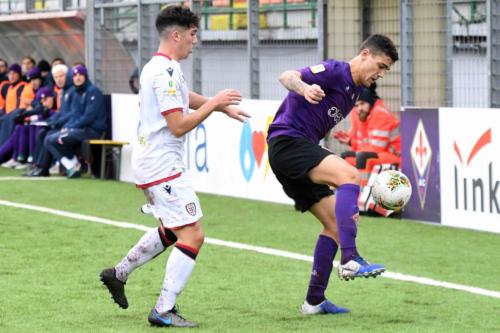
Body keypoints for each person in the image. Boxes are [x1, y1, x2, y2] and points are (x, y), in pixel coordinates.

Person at [99, 5, 249, 328]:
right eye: (193, 34)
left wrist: (219, 107)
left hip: (154, 164)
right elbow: (178, 125)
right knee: (193, 233)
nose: (196, 41)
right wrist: (215, 103)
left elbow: (182, 97)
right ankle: (163, 309)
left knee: (173, 229)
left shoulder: (163, 66)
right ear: (177, 35)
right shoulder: (164, 71)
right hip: (161, 165)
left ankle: (119, 273)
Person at [266, 34, 398, 315]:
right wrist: (303, 89)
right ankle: (350, 259)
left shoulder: (353, 93)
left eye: (386, 69)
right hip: (287, 142)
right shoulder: (336, 71)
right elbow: (286, 76)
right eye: (381, 65)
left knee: (335, 226)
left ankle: (314, 301)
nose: (382, 74)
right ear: (364, 54)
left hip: (299, 149)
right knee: (350, 175)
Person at [44, 65, 105, 178]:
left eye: (80, 75)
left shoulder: (93, 92)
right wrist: (68, 126)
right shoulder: (78, 92)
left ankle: (75, 165)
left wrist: (70, 128)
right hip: (80, 129)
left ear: (85, 76)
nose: (77, 78)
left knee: (57, 138)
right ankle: (72, 165)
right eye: (75, 75)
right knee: (49, 139)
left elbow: (88, 117)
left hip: (91, 130)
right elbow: (75, 114)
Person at [333, 84, 400, 185]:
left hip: (396, 157)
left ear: (370, 103)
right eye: (356, 105)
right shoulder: (363, 116)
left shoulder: (380, 114)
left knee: (363, 157)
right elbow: (364, 144)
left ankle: (361, 191)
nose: (359, 108)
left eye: (362, 104)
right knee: (346, 157)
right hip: (381, 154)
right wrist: (350, 142)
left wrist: (352, 142)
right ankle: (346, 192)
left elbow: (376, 148)